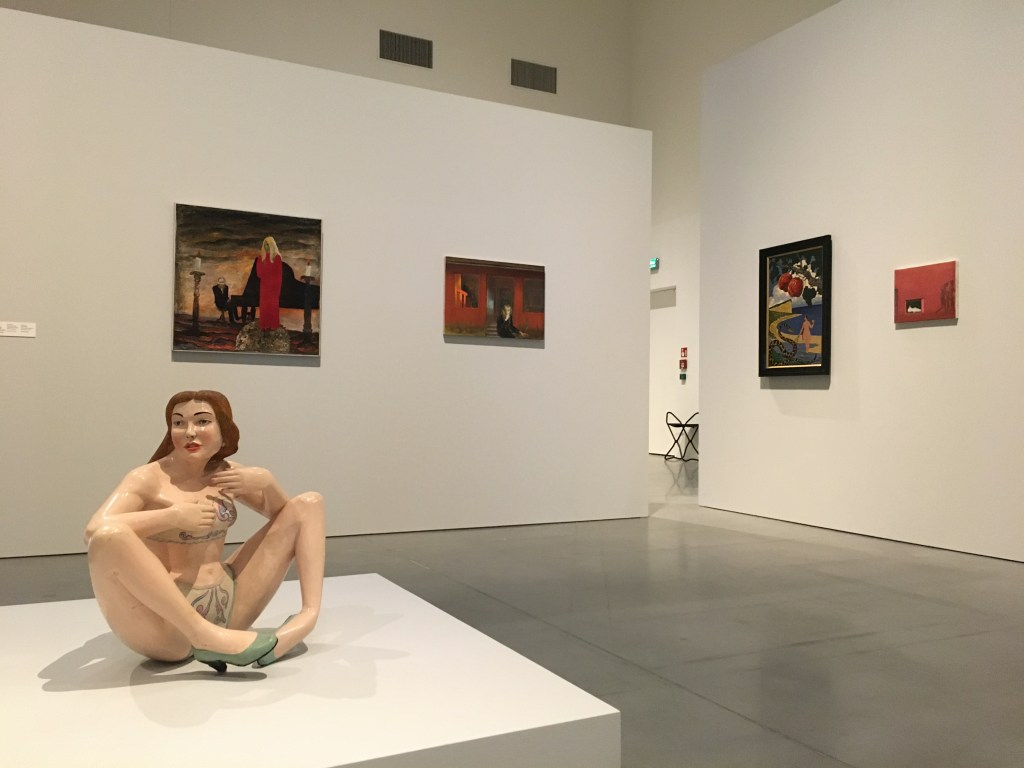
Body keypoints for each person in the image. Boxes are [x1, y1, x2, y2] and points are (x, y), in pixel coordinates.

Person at [84, 390, 325, 673]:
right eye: (179, 423)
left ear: (224, 430)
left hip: (229, 604)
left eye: (202, 422)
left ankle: (307, 616)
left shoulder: (226, 473)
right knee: (111, 535)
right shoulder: (147, 478)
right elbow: (95, 530)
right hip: (170, 623)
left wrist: (268, 483)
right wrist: (172, 516)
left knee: (310, 503)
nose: (189, 432)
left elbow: (288, 518)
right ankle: (204, 636)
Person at [256, 236, 284, 331]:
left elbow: (279, 275)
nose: (266, 246)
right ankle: (264, 326)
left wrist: (277, 289)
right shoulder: (261, 257)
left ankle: (273, 326)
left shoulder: (277, 258)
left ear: (272, 245)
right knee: (264, 306)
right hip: (264, 286)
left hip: (274, 287)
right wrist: (261, 262)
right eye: (265, 244)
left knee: (273, 306)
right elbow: (259, 274)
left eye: (268, 244)